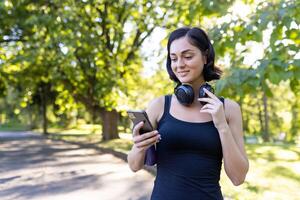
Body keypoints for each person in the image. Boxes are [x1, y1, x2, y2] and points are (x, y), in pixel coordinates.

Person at [127, 27, 249, 200]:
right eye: (174, 58)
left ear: (205, 57)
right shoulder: (159, 106)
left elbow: (238, 178)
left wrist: (222, 126)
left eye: (188, 56)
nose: (179, 65)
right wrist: (139, 146)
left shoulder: (229, 109)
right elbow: (133, 165)